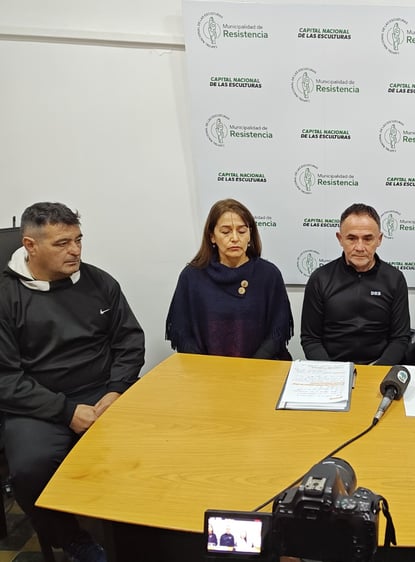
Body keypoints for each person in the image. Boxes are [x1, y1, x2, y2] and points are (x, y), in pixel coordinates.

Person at [0, 202, 145, 562]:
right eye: (62, 243)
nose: (75, 250)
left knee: (153, 446)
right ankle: (72, 539)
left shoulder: (100, 282)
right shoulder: (6, 297)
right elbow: (5, 378)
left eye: (78, 240)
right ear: (30, 245)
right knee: (29, 469)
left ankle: (142, 532)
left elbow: (129, 342)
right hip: (38, 403)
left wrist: (116, 389)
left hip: (102, 391)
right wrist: (66, 411)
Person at [166, 199, 292, 359]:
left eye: (242, 231)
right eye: (226, 232)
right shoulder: (192, 276)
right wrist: (206, 366)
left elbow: (278, 330)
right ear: (212, 236)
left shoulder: (269, 274)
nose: (234, 238)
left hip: (261, 365)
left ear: (250, 234)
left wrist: (253, 365)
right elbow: (182, 332)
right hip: (206, 368)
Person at [300, 203, 410, 364]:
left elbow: (400, 338)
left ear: (379, 239)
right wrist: (332, 371)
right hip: (332, 367)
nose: (359, 247)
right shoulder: (320, 279)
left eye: (368, 239)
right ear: (340, 239)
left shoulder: (395, 279)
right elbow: (311, 339)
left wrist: (376, 371)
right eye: (351, 238)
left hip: (379, 368)